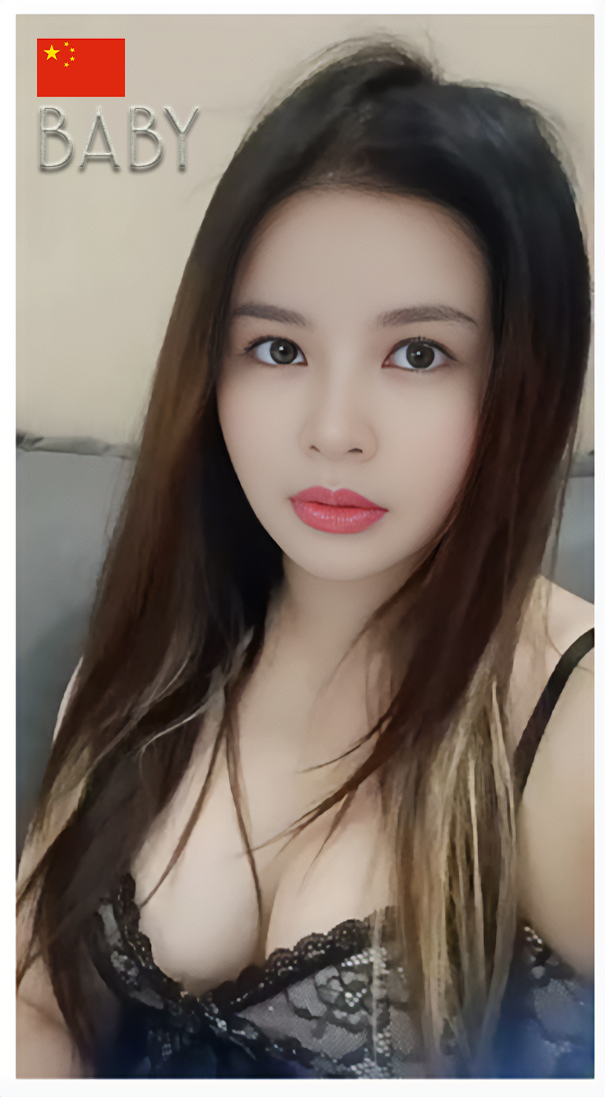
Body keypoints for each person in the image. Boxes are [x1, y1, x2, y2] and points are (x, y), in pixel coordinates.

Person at [17, 38, 594, 1079]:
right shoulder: (153, 650)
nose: (332, 430)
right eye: (277, 349)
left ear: (524, 381)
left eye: (417, 353)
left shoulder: (567, 722)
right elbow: (31, 1004)